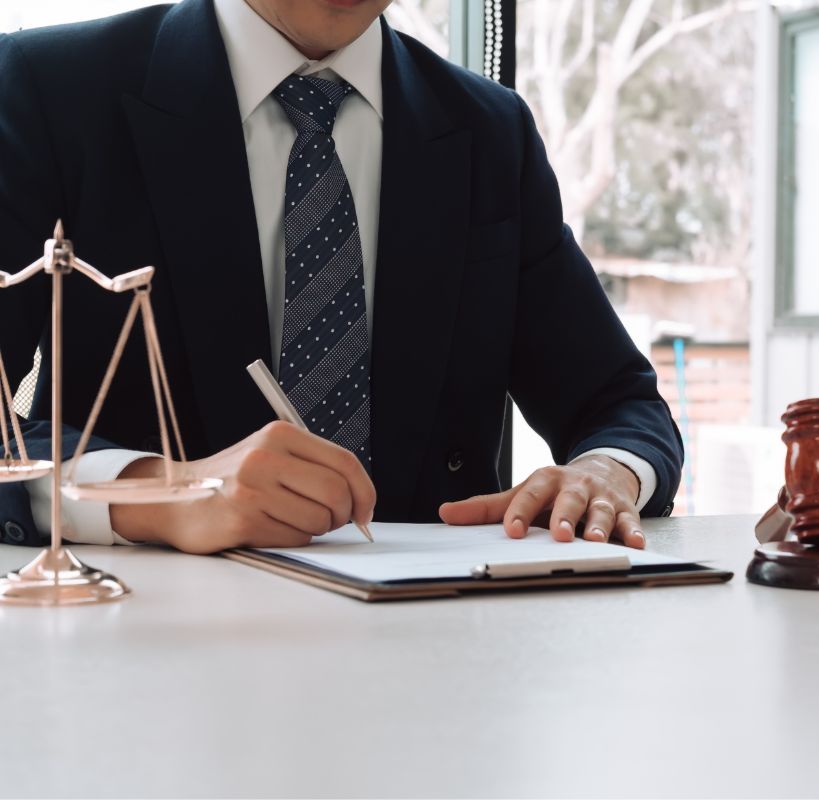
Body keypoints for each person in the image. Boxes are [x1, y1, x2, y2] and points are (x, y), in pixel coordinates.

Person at [0, 0, 682, 554]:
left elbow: (621, 405)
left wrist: (606, 473)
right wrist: (163, 492)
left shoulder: (490, 130)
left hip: (438, 660)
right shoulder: (49, 88)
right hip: (145, 658)